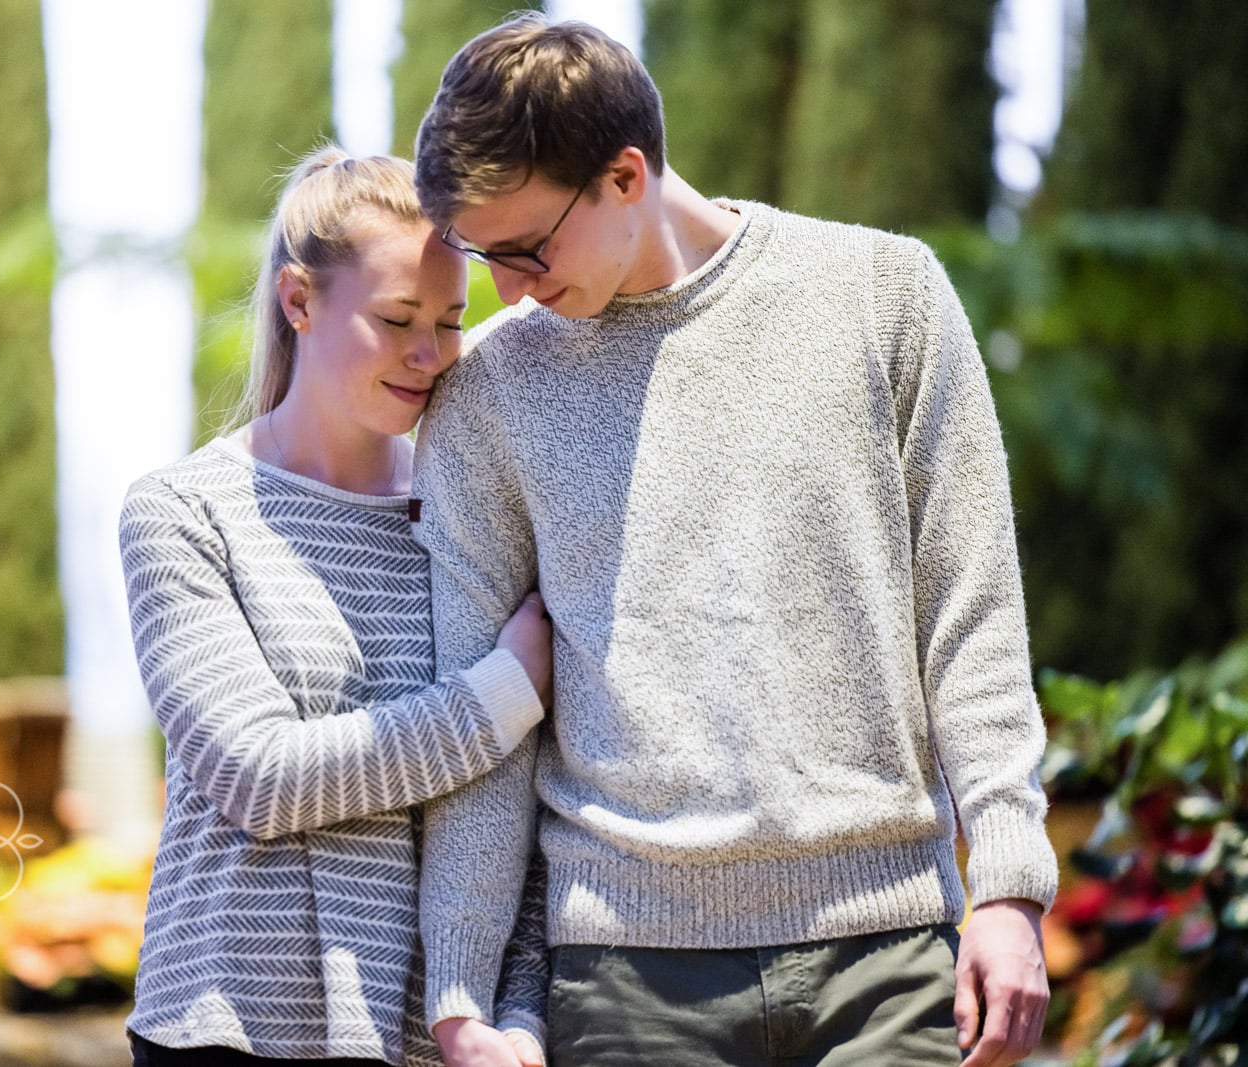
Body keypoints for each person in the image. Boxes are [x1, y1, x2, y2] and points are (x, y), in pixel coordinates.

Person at [407, 15, 1058, 1067]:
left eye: (525, 250)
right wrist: (461, 990)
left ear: (625, 176)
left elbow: (970, 611)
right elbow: (486, 726)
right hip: (624, 983)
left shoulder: (883, 297)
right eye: (485, 257)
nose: (505, 291)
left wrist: (1010, 884)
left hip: (886, 958)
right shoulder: (488, 390)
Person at [119, 148, 552, 1067]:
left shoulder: (468, 514)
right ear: (299, 301)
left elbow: (510, 807)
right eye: (396, 319)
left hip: (425, 1042)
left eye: (448, 321)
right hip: (222, 1026)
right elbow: (261, 777)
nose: (430, 355)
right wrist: (504, 693)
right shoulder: (185, 511)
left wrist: (512, 1015)